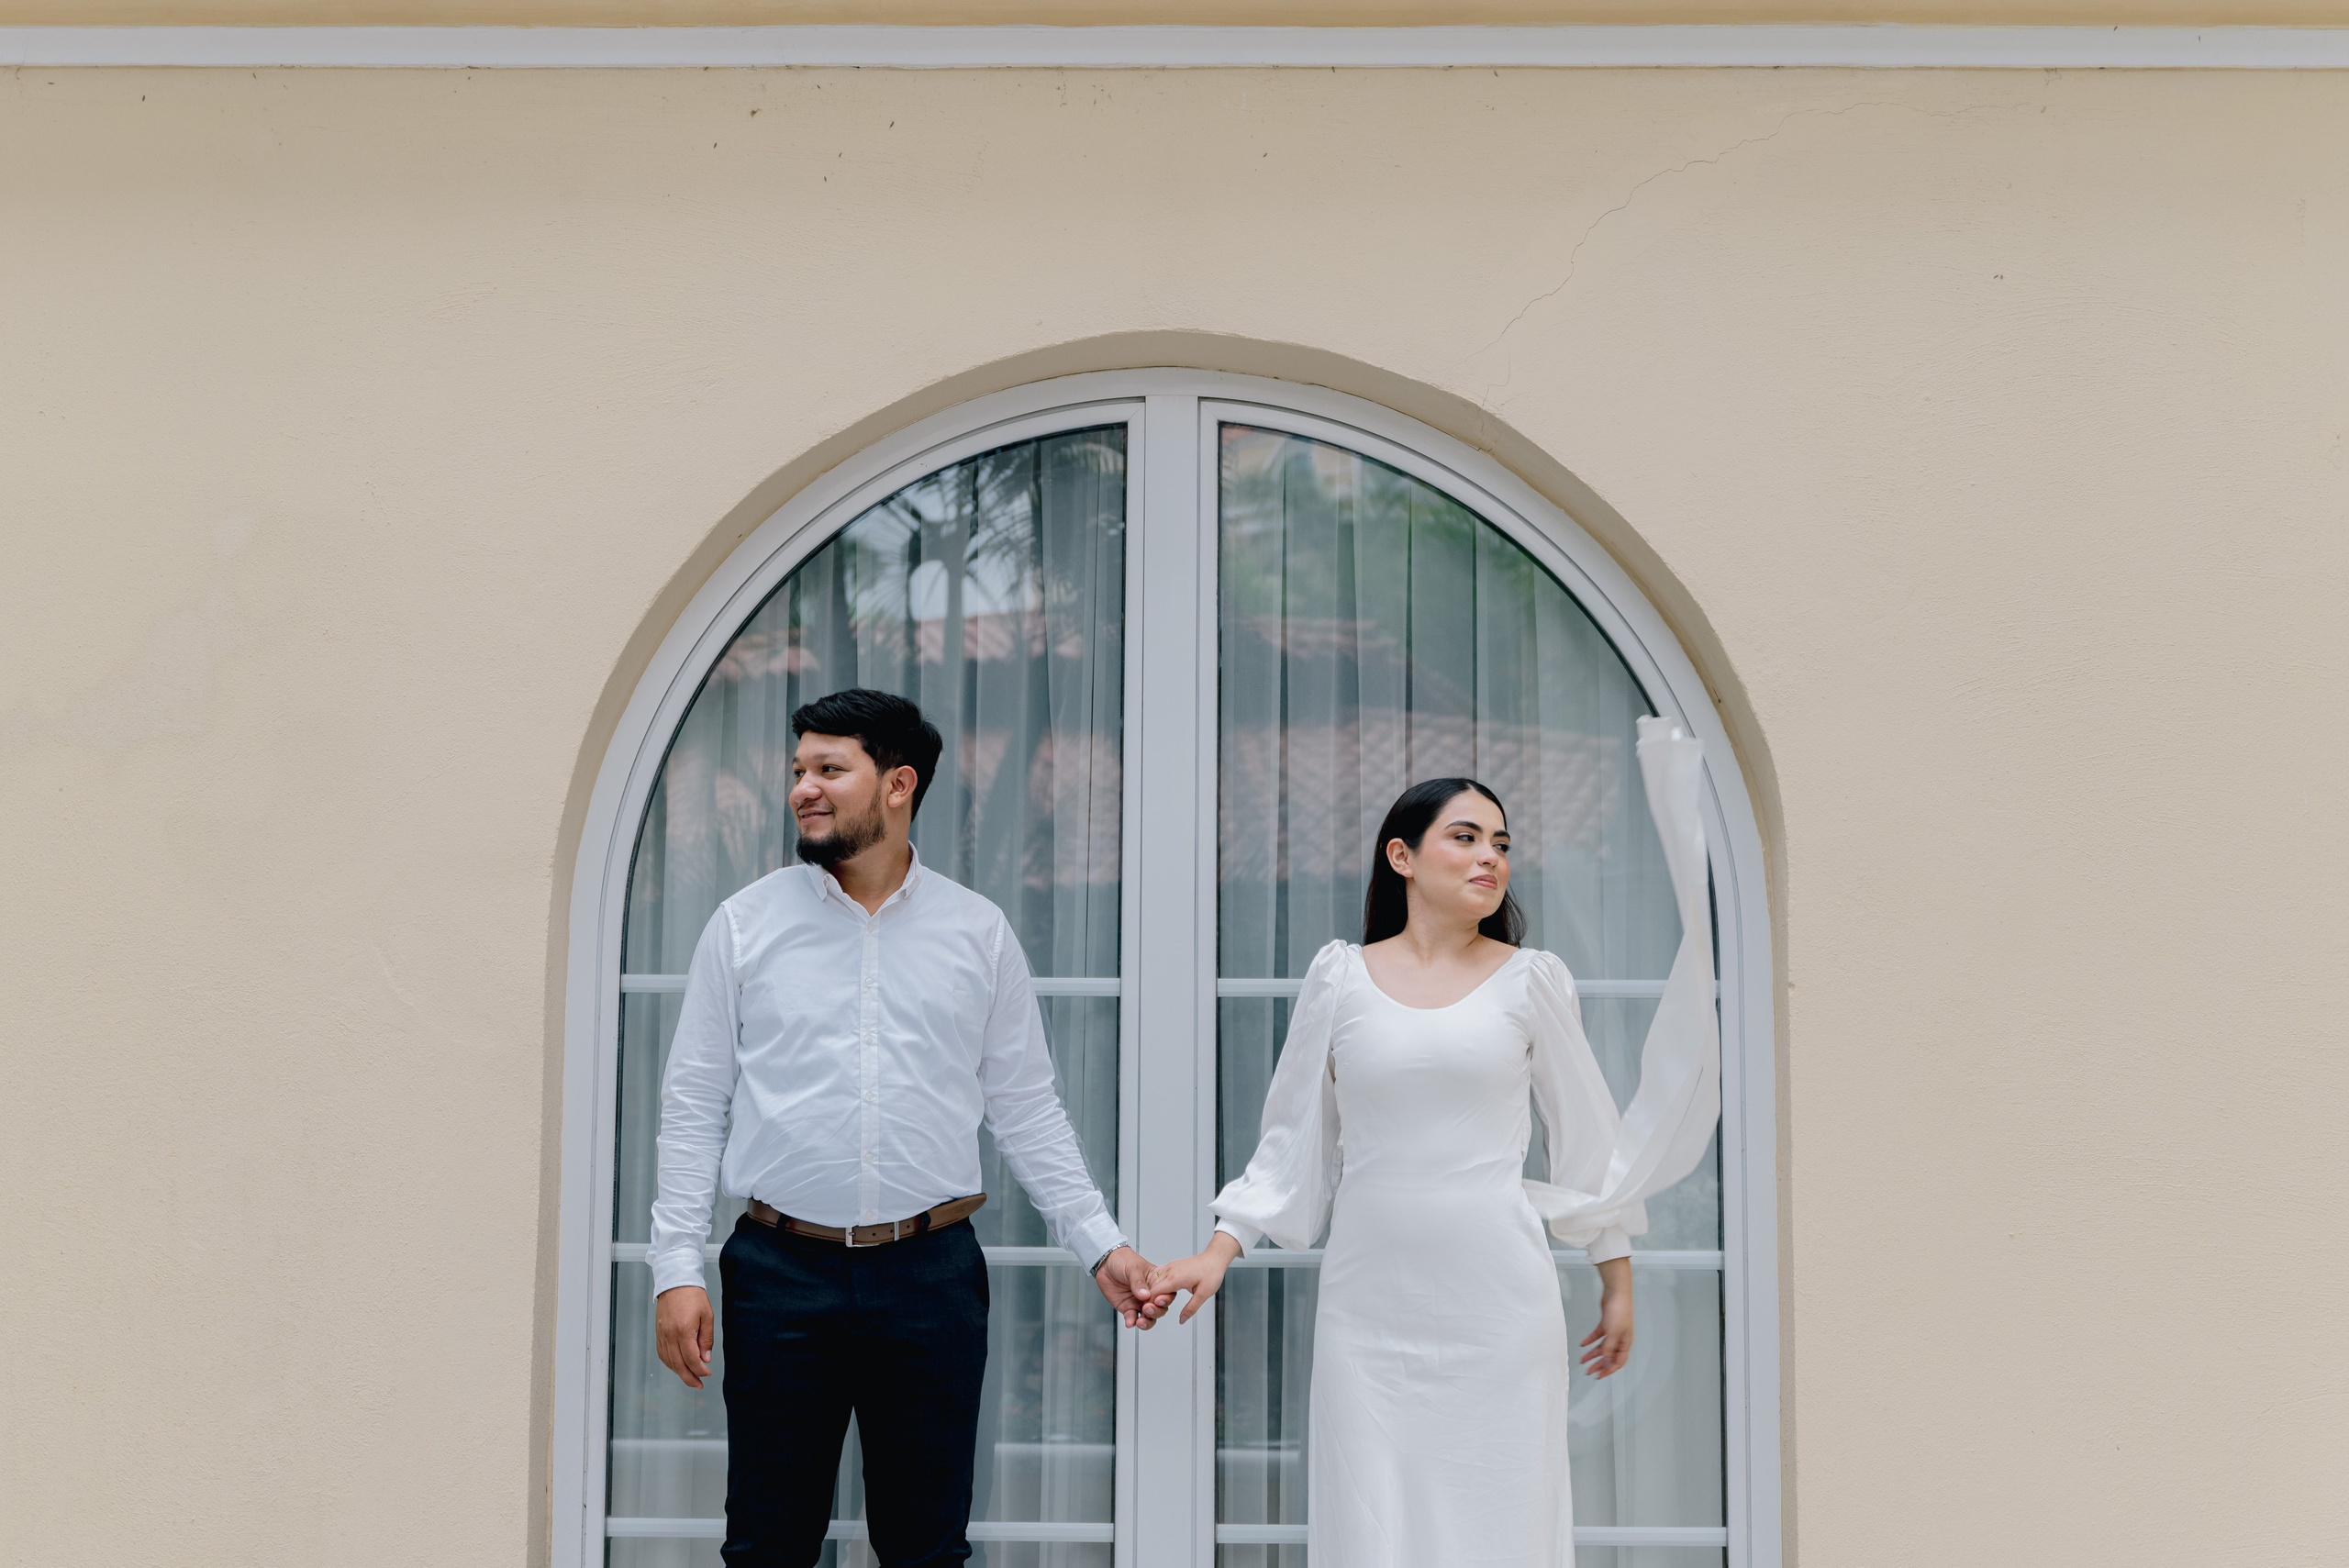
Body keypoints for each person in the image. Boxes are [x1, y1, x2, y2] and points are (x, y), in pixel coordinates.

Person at [1148, 717, 1720, 1568]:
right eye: (1465, 836)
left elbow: (1588, 1140)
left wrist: (1617, 1280)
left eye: (1502, 842)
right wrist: (1220, 1248)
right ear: (1401, 856)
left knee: (1501, 1519)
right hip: (1369, 1308)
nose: (1491, 855)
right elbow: (1293, 1143)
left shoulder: (1533, 979)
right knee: (1370, 1517)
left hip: (1498, 1302)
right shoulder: (1338, 977)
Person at [647, 687, 1170, 1568]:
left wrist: (1101, 1243)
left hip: (931, 1276)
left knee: (927, 1549)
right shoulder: (743, 926)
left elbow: (1028, 1107)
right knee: (766, 1545)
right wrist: (674, 1267)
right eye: (798, 769)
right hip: (779, 1272)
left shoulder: (979, 933)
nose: (803, 788)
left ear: (898, 783)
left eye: (828, 768)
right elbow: (694, 1103)